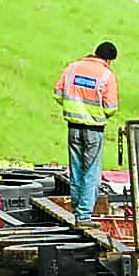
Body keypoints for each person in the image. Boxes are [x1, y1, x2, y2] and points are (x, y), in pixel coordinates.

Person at [54, 41, 120, 225]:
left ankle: (77, 210)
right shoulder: (107, 75)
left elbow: (58, 94)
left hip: (73, 127)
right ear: (108, 60)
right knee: (91, 171)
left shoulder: (72, 68)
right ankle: (84, 216)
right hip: (93, 129)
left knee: (76, 170)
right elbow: (111, 107)